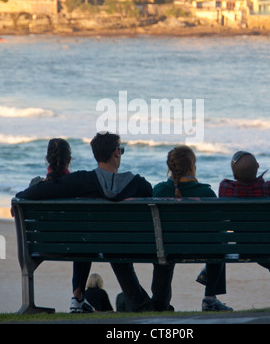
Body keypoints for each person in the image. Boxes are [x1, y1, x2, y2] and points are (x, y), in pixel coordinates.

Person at [16, 132, 174, 313]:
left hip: (101, 245)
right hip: (135, 245)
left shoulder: (82, 180)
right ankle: (151, 304)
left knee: (112, 247)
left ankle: (143, 305)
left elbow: (43, 190)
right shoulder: (139, 184)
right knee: (124, 249)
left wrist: (19, 198)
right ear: (116, 153)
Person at [153, 146, 232, 312]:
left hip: (166, 250)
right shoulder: (206, 193)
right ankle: (210, 298)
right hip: (204, 250)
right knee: (220, 240)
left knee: (162, 243)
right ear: (192, 166)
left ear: (170, 167)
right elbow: (218, 228)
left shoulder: (158, 190)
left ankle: (159, 302)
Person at [219, 150, 270, 306]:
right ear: (258, 167)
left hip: (247, 248)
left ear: (235, 176)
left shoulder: (226, 190)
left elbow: (229, 185)